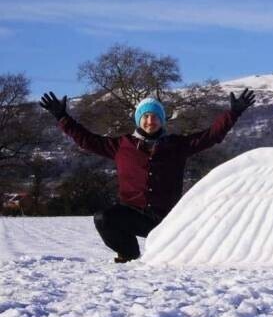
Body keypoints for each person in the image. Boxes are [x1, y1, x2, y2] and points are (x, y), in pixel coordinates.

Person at [39, 88, 256, 263]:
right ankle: (129, 255)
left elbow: (211, 136)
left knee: (192, 250)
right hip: (133, 215)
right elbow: (86, 139)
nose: (150, 121)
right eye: (145, 116)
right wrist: (62, 116)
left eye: (154, 117)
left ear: (162, 121)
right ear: (138, 120)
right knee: (104, 218)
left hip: (170, 219)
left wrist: (233, 113)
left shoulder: (177, 145)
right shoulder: (120, 146)